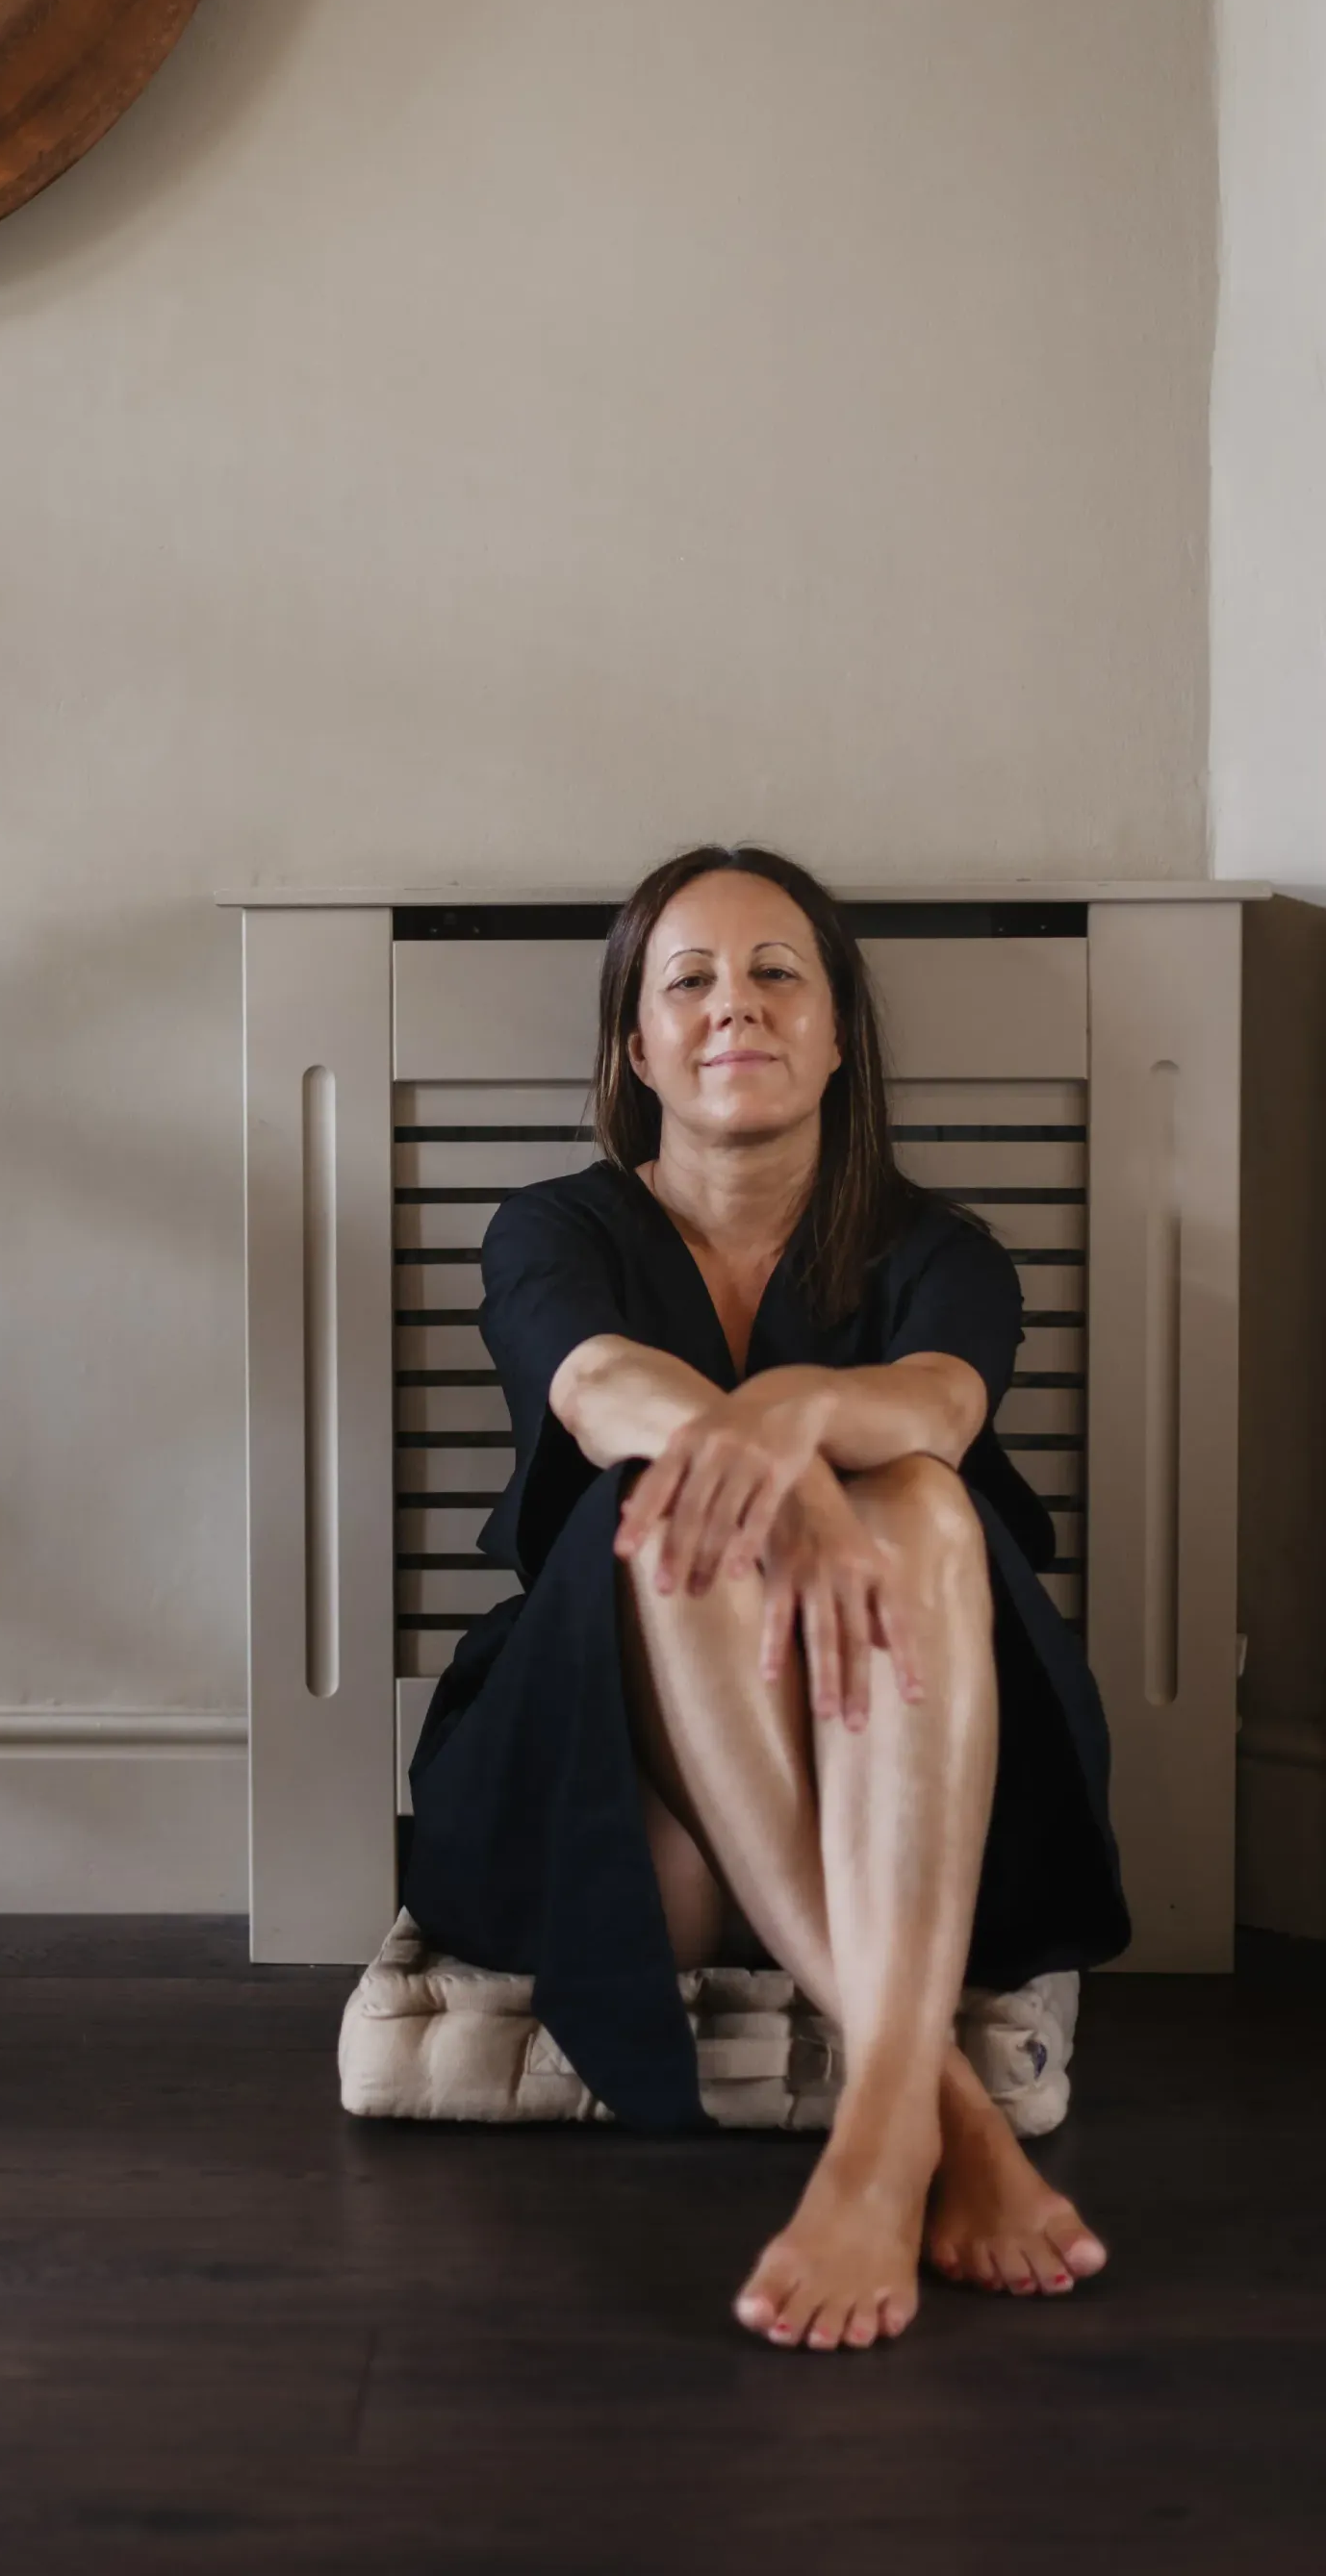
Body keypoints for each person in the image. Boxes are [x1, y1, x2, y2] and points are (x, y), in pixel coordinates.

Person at [403, 844, 1130, 2351]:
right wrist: (782, 1480)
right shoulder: (552, 1229)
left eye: (776, 971)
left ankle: (873, 2144)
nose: (733, 1003)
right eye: (689, 980)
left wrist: (801, 1407)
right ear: (637, 1046)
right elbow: (601, 1385)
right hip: (621, 1818)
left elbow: (938, 1405)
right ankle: (936, 2116)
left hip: (908, 1805)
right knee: (660, 1510)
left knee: (919, 1495)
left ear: (840, 1031)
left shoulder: (945, 1252)